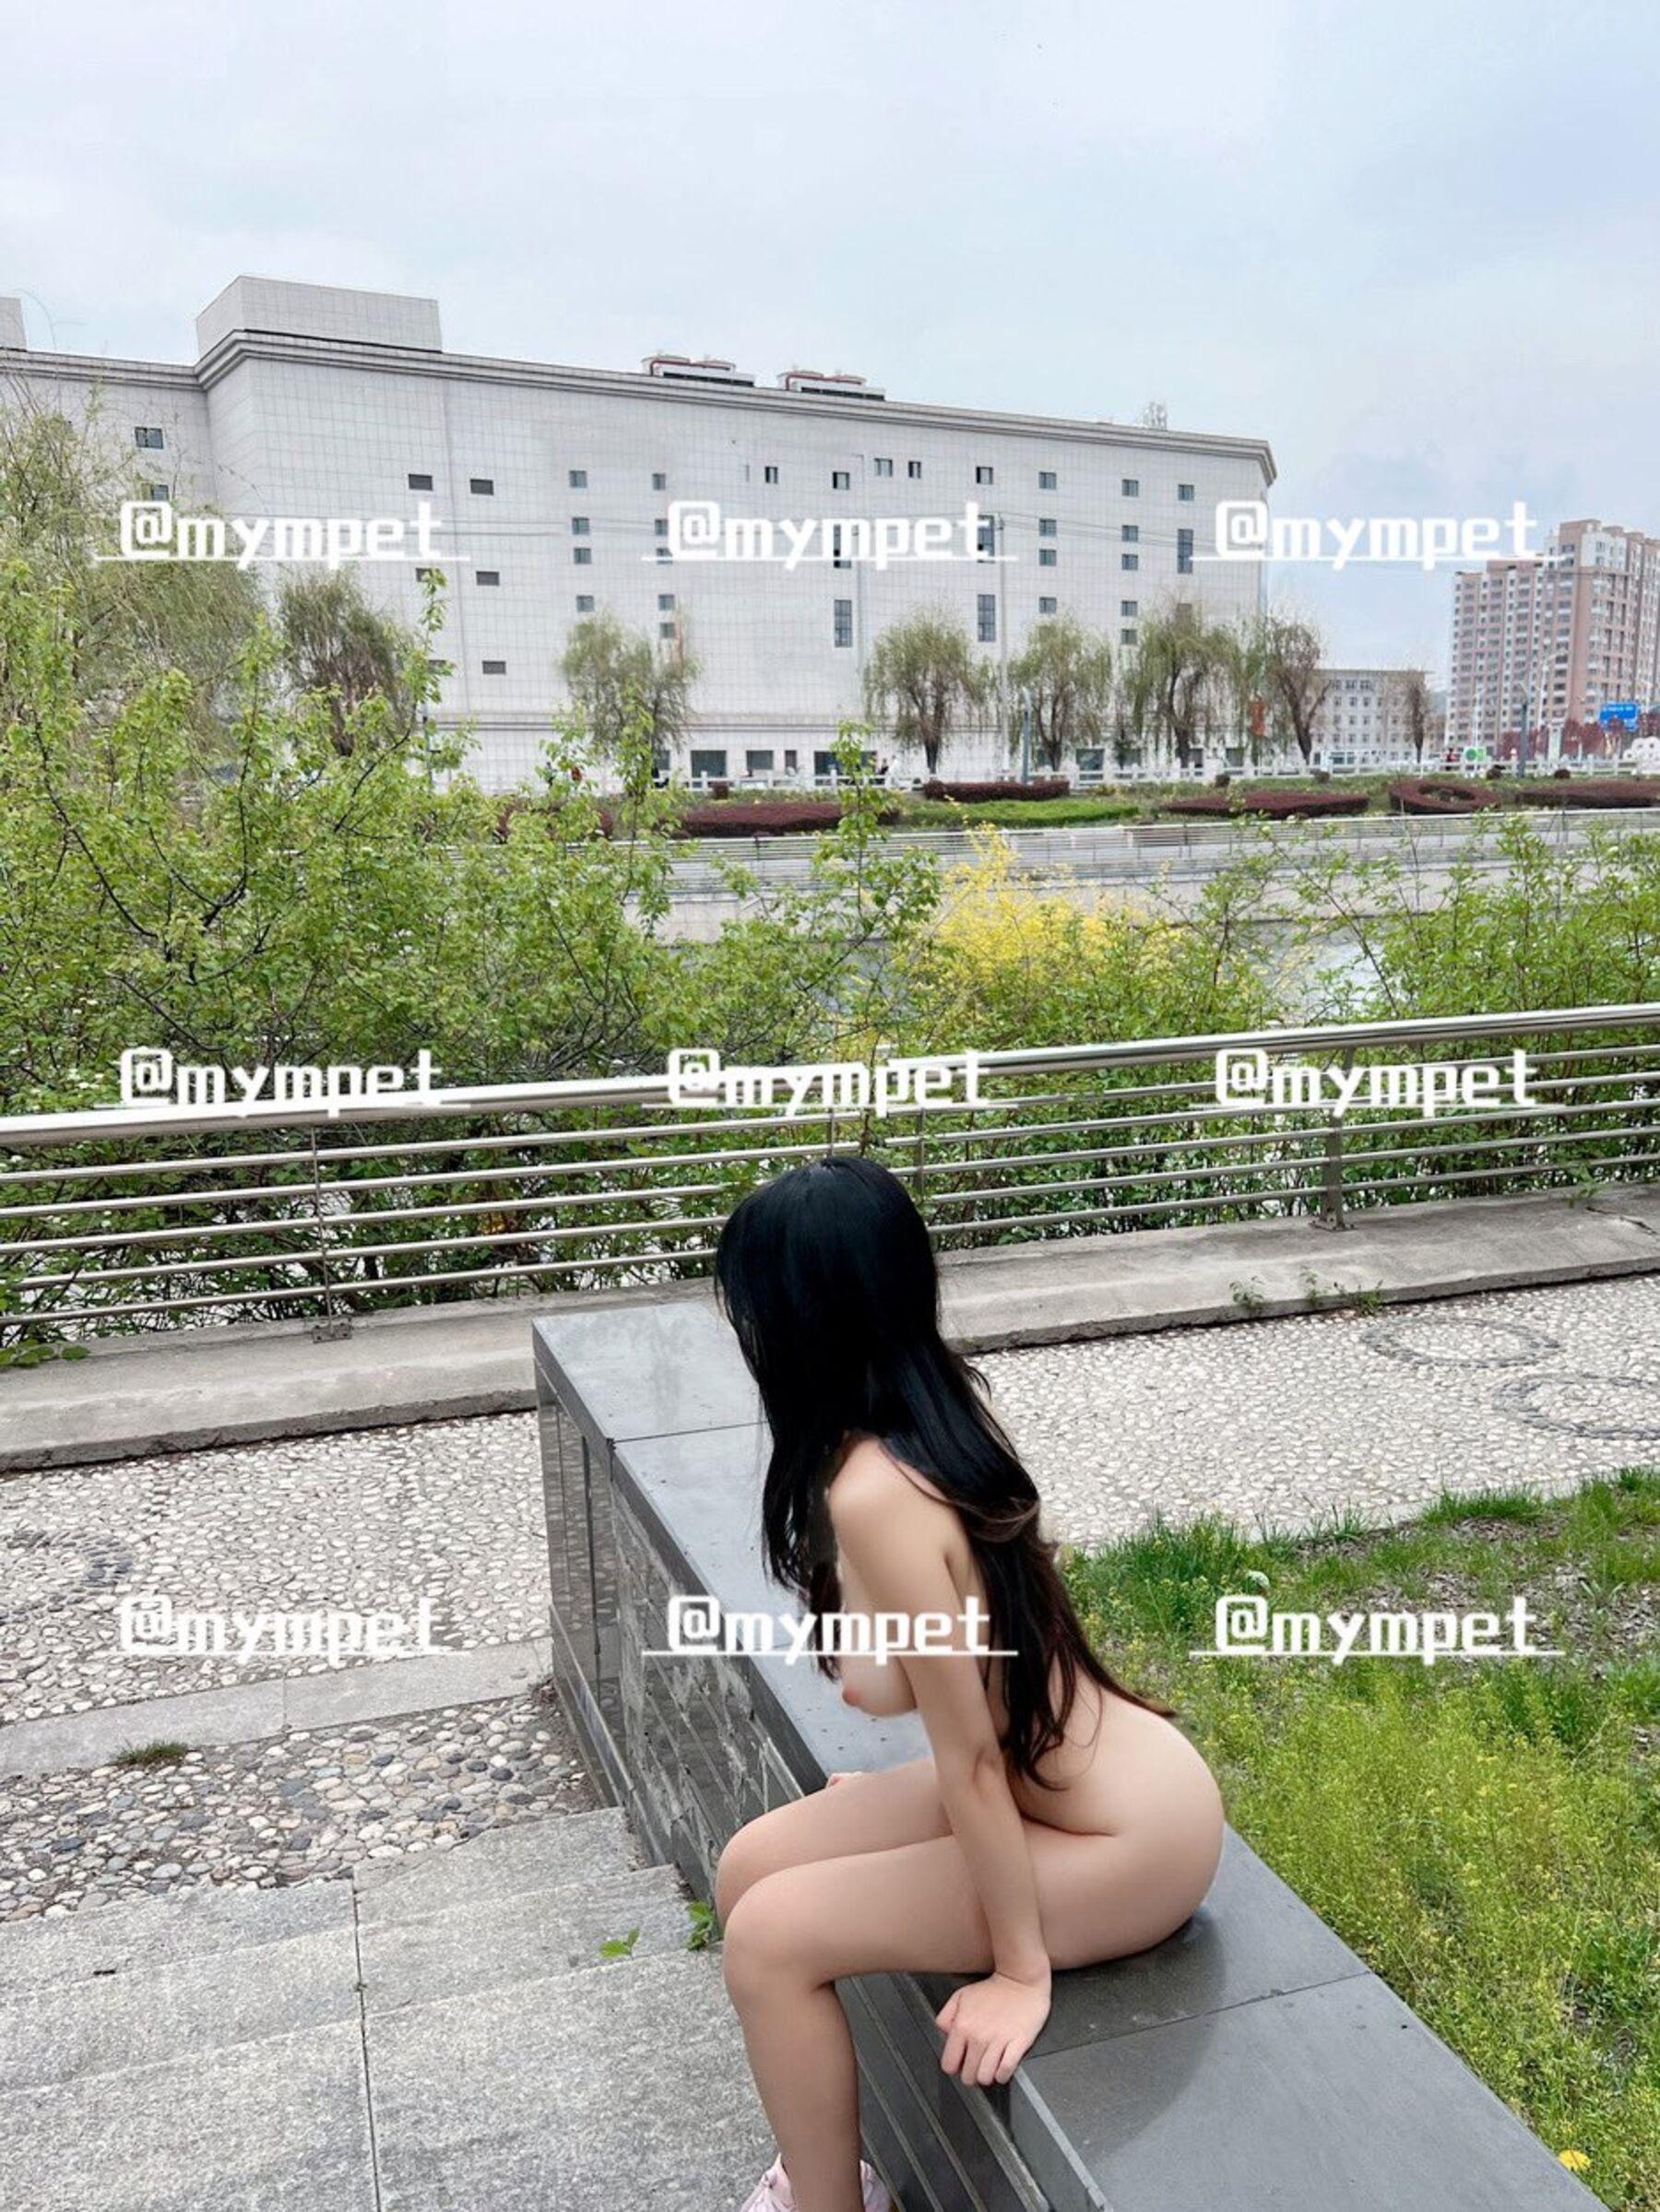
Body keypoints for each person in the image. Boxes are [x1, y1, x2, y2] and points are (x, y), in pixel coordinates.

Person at [712, 1156, 1225, 2212]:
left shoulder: (876, 1491)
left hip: (1131, 1838)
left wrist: (1020, 1971)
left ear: (798, 1327)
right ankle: (822, 2164)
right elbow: (944, 1678)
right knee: (748, 1864)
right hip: (1064, 1777)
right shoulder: (930, 1415)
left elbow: (971, 1755)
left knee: (768, 1936)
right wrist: (892, 1798)